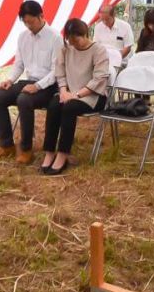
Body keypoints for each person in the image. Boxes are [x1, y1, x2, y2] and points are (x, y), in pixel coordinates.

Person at [0, 0, 61, 165]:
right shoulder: (23, 37)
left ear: (41, 16)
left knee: (24, 100)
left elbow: (56, 71)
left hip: (47, 85)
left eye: (31, 22)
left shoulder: (55, 37)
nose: (29, 26)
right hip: (28, 81)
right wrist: (9, 80)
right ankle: (6, 144)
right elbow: (19, 64)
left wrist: (37, 86)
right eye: (25, 22)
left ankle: (26, 148)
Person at [42, 18, 110, 175]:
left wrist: (76, 94)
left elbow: (99, 79)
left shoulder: (98, 50)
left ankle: (63, 154)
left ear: (85, 33)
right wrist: (64, 90)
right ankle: (49, 151)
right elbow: (60, 72)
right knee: (53, 105)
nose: (74, 44)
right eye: (70, 40)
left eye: (76, 39)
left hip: (92, 95)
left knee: (69, 108)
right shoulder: (66, 48)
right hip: (70, 92)